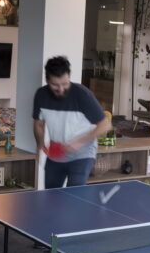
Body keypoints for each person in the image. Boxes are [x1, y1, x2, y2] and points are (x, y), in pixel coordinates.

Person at [33, 55, 112, 188]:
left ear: (69, 76)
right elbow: (39, 124)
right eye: (55, 85)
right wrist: (40, 144)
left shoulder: (82, 95)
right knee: (52, 195)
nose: (61, 89)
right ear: (47, 80)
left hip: (82, 154)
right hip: (56, 152)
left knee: (75, 194)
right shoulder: (41, 95)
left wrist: (79, 142)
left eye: (64, 84)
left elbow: (105, 124)